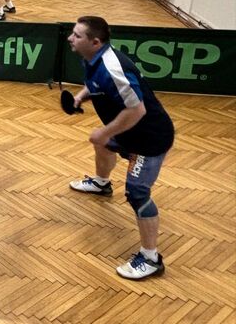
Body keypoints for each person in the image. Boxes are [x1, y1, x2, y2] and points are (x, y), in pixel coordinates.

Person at [67, 16, 174, 280]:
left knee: (137, 193)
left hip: (148, 139)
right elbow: (95, 85)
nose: (70, 38)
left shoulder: (112, 68)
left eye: (77, 35)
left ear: (95, 42)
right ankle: (102, 183)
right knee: (102, 145)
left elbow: (137, 110)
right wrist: (81, 96)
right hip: (128, 131)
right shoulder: (93, 58)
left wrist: (105, 131)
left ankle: (151, 259)